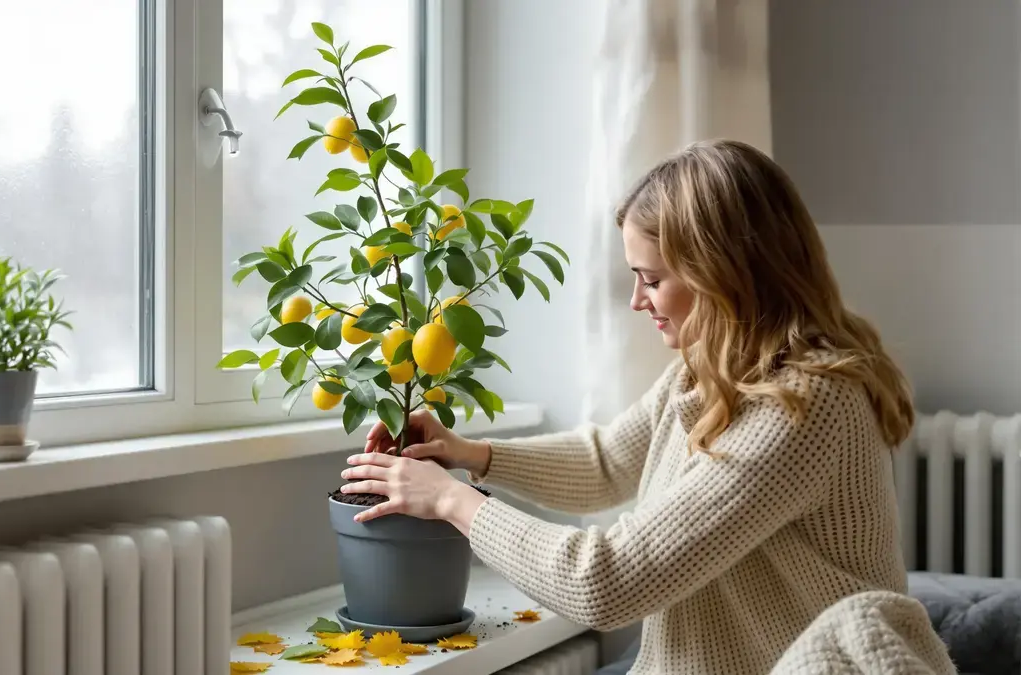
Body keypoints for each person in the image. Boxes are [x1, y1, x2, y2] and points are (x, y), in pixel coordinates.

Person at [342, 139, 919, 674]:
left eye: (652, 279)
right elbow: (606, 463)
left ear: (723, 273)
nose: (637, 300)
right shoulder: (706, 374)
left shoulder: (803, 405)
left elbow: (606, 582)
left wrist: (450, 500)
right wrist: (470, 454)